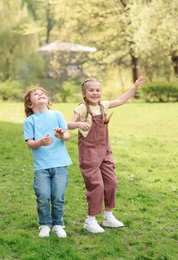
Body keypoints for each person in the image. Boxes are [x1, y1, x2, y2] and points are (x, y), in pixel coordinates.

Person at [67, 77, 146, 234]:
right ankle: (90, 221)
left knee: (111, 182)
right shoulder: (82, 108)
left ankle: (108, 217)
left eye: (98, 90)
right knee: (96, 185)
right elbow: (68, 124)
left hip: (105, 150)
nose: (95, 93)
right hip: (89, 152)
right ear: (84, 93)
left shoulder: (103, 105)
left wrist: (134, 88)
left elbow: (120, 100)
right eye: (91, 90)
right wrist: (78, 124)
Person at [23, 87, 72, 238]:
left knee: (58, 197)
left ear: (48, 100)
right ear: (30, 104)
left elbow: (67, 135)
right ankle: (44, 224)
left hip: (60, 164)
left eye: (43, 93)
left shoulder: (57, 114)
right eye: (36, 94)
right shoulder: (29, 121)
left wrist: (61, 134)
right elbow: (30, 143)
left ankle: (58, 224)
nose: (41, 95)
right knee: (43, 196)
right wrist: (40, 142)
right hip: (41, 167)